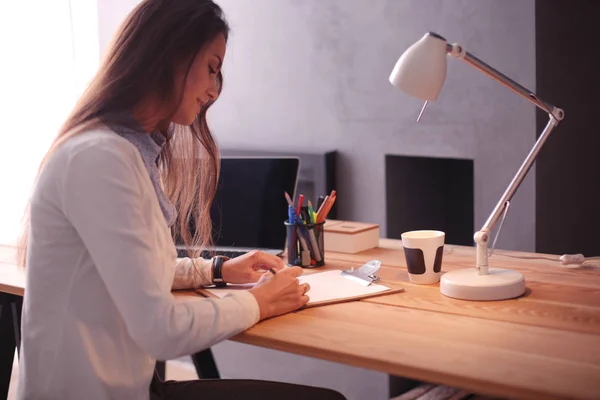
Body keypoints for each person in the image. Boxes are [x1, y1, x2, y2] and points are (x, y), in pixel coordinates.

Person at [16, 0, 346, 399]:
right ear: (169, 53)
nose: (214, 90)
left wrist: (218, 270)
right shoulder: (100, 159)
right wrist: (258, 303)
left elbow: (134, 272)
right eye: (211, 67)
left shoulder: (123, 149)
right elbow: (161, 328)